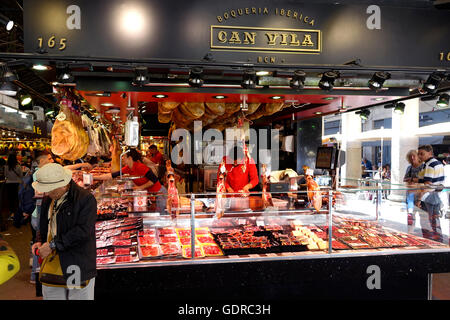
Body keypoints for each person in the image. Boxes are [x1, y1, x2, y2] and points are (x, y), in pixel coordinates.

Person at [31, 163, 97, 300]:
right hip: (52, 262)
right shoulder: (48, 198)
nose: (46, 193)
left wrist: (53, 245)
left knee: (78, 296)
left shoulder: (85, 199)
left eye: (49, 189)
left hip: (76, 262)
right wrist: (39, 241)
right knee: (52, 296)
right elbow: (44, 223)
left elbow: (83, 231)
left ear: (62, 184)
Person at [94, 148, 167, 213]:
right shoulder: (128, 168)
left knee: (161, 217)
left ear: (130, 158)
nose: (123, 159)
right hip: (151, 195)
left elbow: (154, 180)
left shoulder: (140, 167)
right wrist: (94, 178)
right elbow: (111, 175)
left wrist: (140, 187)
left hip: (159, 193)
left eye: (124, 157)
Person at [417, 145, 445, 241]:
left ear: (430, 153)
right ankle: (438, 242)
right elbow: (440, 183)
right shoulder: (439, 163)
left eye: (422, 154)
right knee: (435, 222)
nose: (420, 156)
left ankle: (429, 244)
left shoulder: (429, 165)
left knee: (426, 223)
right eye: (419, 154)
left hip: (427, 197)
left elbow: (427, 184)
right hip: (436, 196)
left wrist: (419, 199)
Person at [403, 150, 424, 225]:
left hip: (420, 192)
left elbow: (425, 180)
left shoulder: (423, 166)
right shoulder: (409, 167)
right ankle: (410, 230)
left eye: (413, 156)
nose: (412, 158)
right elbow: (404, 178)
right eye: (410, 156)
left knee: (422, 217)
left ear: (418, 156)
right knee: (410, 216)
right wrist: (410, 180)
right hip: (411, 191)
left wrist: (413, 179)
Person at [4, 153, 23, 228]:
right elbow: (21, 175)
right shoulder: (18, 166)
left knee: (10, 199)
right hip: (17, 184)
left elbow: (5, 175)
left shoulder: (6, 167)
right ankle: (17, 214)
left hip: (9, 184)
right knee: (17, 199)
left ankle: (12, 213)